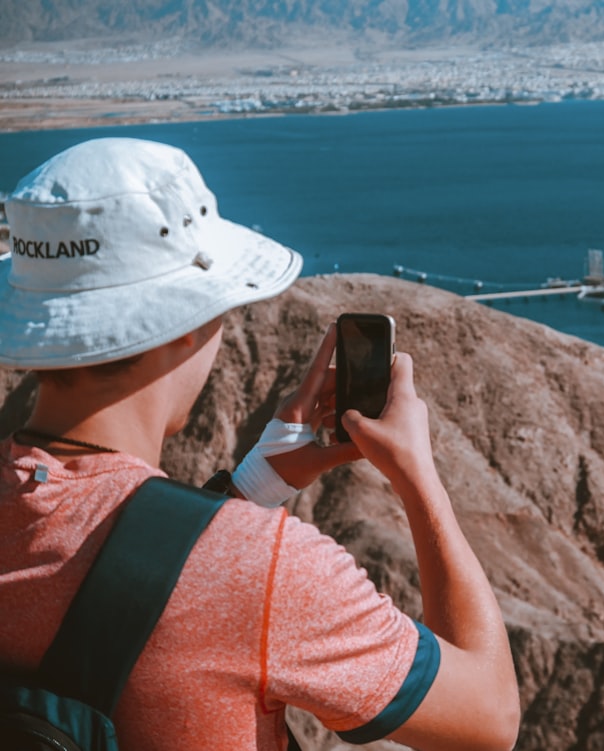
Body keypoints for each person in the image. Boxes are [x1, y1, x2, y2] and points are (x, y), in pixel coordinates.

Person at [0, 137, 520, 751]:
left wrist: (254, 488)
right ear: (187, 328)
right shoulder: (265, 568)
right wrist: (419, 478)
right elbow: (488, 718)